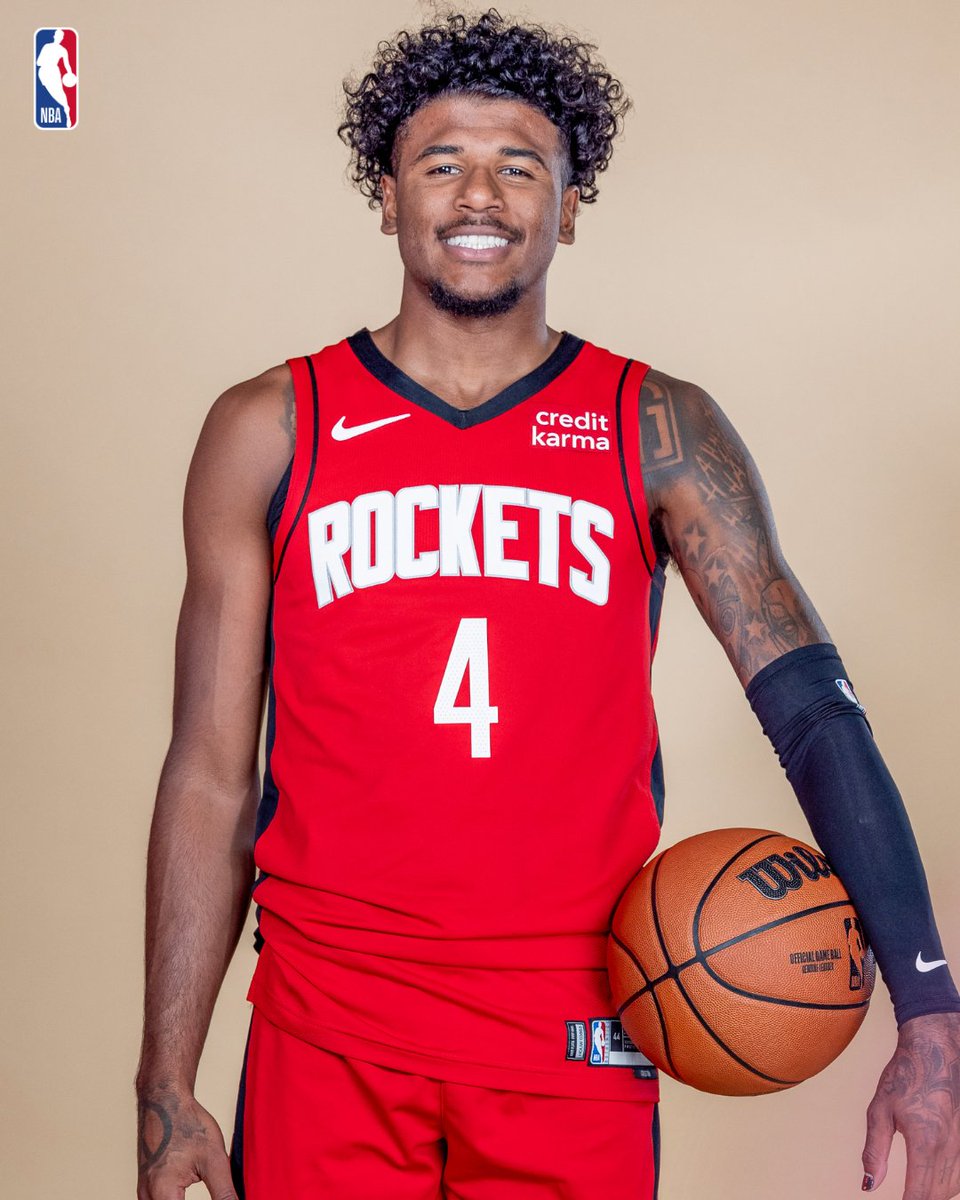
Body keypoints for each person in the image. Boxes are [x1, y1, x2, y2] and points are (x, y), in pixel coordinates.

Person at [134, 10, 960, 1199]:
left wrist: (928, 1013)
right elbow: (209, 772)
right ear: (387, 194)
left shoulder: (659, 429)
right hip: (330, 1026)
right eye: (442, 163)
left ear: (570, 204)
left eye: (522, 165)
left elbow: (814, 714)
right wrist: (167, 1087)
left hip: (578, 1030)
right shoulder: (273, 428)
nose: (482, 195)